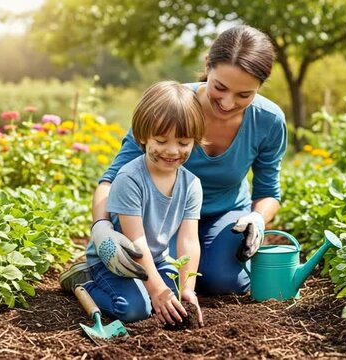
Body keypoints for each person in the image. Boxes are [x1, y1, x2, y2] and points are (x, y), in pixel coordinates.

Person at [62, 24, 287, 297]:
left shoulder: (268, 121)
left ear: (259, 88)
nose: (227, 103)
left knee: (227, 282)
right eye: (220, 87)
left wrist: (258, 218)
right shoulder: (171, 107)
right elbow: (113, 178)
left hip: (224, 215)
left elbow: (268, 192)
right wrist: (101, 227)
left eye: (244, 95)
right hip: (161, 219)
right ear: (208, 65)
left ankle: (205, 263)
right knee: (155, 278)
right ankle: (93, 273)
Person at [61, 81, 205, 325]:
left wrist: (186, 287)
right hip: (116, 262)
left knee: (172, 300)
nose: (172, 151)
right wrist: (157, 290)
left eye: (183, 143)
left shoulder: (191, 184)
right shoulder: (130, 179)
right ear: (143, 136)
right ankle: (83, 280)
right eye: (161, 140)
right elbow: (136, 241)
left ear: (195, 140)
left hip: (157, 260)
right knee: (135, 310)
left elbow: (189, 240)